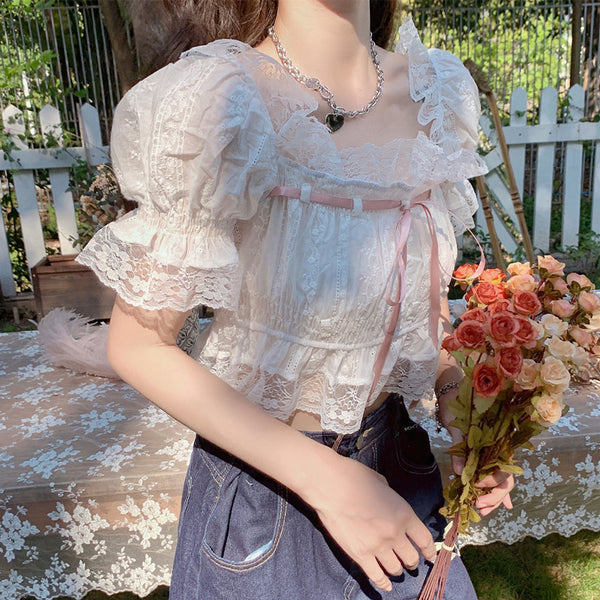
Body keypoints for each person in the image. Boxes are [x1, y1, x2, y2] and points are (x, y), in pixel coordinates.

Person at [77, 1, 515, 598]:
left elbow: (424, 319)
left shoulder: (437, 96)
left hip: (398, 471)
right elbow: (138, 347)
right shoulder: (219, 100)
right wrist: (329, 482)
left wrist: (455, 397)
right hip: (266, 498)